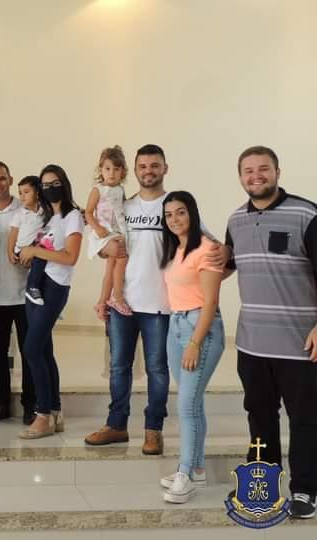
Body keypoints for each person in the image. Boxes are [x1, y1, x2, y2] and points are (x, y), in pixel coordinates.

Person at [84, 145, 231, 455]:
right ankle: (116, 425)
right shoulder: (124, 205)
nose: (148, 171)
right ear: (134, 170)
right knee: (119, 367)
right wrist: (102, 251)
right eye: (143, 166)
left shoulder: (175, 207)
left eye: (154, 165)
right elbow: (101, 241)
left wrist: (225, 255)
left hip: (163, 306)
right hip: (123, 302)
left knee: (158, 370)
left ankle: (154, 430)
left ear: (165, 168)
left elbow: (210, 247)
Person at [225, 146, 317, 519]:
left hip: (300, 344)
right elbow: (227, 262)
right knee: (259, 416)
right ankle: (260, 482)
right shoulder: (236, 220)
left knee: (306, 419)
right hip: (252, 344)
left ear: (277, 171)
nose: (256, 176)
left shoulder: (306, 214)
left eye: (263, 169)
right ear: (241, 177)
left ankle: (306, 490)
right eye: (248, 171)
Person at [159, 191, 224, 504]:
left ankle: (184, 474)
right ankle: (196, 467)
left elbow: (211, 301)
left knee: (185, 405)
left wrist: (196, 342)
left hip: (201, 329)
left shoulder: (208, 249)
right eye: (169, 215)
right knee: (192, 403)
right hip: (176, 326)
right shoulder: (177, 249)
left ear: (192, 213)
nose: (175, 220)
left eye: (180, 213)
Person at [18, 164, 84, 439]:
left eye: (54, 183)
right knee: (43, 350)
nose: (49, 188)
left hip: (55, 286)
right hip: (36, 286)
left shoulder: (72, 217)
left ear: (64, 184)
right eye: (44, 185)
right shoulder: (49, 218)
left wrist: (36, 251)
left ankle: (42, 414)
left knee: (31, 350)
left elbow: (70, 257)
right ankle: (55, 410)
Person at [0, 162, 36, 426]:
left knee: (29, 352)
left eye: (2, 179)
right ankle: (1, 401)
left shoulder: (27, 208)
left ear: (10, 180)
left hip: (26, 295)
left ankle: (31, 404)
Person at [85, 145, 130, 316]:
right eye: (107, 168)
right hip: (104, 232)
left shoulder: (120, 189)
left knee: (111, 268)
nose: (111, 173)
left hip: (117, 232)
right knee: (122, 257)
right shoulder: (98, 190)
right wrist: (98, 228)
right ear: (101, 170)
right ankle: (117, 297)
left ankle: (102, 301)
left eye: (116, 169)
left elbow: (122, 210)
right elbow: (88, 212)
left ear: (122, 172)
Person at [8, 175, 53, 306]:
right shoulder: (20, 214)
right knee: (40, 258)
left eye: (26, 192)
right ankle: (32, 287)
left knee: (47, 269)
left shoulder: (45, 211)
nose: (22, 196)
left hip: (36, 247)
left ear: (38, 193)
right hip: (21, 249)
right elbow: (13, 235)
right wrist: (10, 252)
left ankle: (45, 297)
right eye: (20, 193)